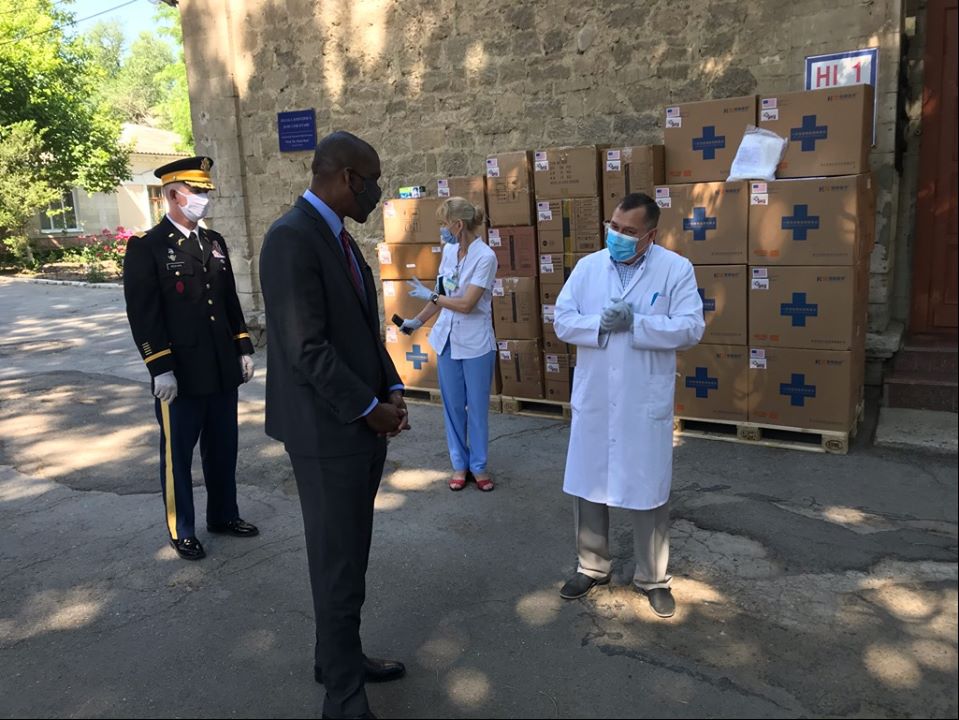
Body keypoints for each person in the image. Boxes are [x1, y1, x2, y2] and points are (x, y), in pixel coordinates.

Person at [258, 131, 409, 720]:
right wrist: (368, 409)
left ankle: (337, 658)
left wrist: (391, 387)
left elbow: (362, 331)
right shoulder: (291, 238)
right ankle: (343, 699)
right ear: (348, 177)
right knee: (337, 564)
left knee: (349, 557)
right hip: (327, 434)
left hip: (357, 429)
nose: (377, 192)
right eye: (373, 181)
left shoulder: (338, 238)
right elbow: (307, 348)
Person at [553, 192, 704, 618]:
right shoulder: (589, 267)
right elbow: (562, 319)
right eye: (614, 226)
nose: (617, 236)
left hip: (642, 399)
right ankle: (591, 567)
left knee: (648, 490)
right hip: (597, 397)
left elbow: (691, 328)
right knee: (589, 485)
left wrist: (638, 323)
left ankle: (653, 578)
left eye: (629, 231)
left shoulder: (675, 269)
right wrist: (597, 325)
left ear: (650, 235)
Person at [122, 155, 259, 562]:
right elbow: (143, 314)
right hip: (180, 374)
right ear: (172, 195)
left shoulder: (213, 242)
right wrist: (159, 367)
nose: (203, 198)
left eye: (204, 191)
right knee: (178, 457)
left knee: (223, 448)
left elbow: (228, 301)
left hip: (220, 368)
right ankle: (181, 529)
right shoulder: (148, 247)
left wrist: (242, 347)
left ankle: (223, 515)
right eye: (195, 192)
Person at [401, 197, 498, 492]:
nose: (441, 230)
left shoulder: (485, 257)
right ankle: (459, 464)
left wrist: (432, 296)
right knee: (453, 406)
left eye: (444, 224)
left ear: (458, 225)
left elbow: (467, 304)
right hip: (447, 340)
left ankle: (479, 466)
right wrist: (416, 321)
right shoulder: (450, 251)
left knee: (477, 408)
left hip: (476, 343)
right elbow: (441, 294)